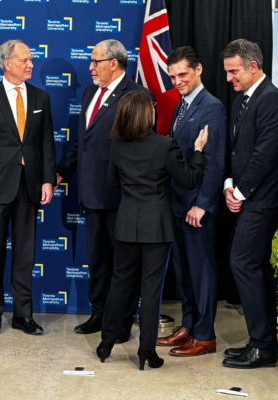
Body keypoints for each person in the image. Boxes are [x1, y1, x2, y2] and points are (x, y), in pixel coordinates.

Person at [96, 91, 207, 371]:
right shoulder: (165, 145)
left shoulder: (117, 145)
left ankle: (105, 344)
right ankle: (146, 351)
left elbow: (111, 184)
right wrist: (198, 151)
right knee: (151, 289)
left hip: (125, 224)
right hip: (156, 227)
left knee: (120, 285)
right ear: (148, 114)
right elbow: (189, 179)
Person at [55, 39, 150, 340]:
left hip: (121, 196)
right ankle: (99, 313)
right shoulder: (89, 92)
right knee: (97, 259)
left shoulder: (136, 96)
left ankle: (121, 321)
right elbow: (81, 142)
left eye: (95, 61)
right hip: (91, 194)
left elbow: (141, 151)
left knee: (123, 263)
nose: (90, 67)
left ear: (114, 62)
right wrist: (60, 172)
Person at [0, 40, 56, 337]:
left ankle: (23, 315)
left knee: (25, 255)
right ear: (7, 63)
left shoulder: (40, 97)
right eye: (25, 60)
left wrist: (48, 179)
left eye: (31, 59)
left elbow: (46, 143)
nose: (31, 64)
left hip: (29, 186)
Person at [221, 39, 278, 369]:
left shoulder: (273, 99)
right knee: (255, 267)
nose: (229, 78)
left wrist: (240, 192)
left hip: (265, 199)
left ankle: (262, 344)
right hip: (248, 196)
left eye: (233, 71)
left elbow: (265, 154)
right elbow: (235, 151)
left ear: (253, 66)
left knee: (243, 263)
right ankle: (264, 344)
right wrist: (228, 184)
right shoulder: (242, 101)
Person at [157, 47, 226, 357]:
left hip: (196, 207)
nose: (177, 81)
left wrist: (203, 203)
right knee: (184, 271)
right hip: (177, 203)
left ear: (198, 70)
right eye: (172, 76)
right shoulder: (179, 107)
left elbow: (214, 161)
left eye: (182, 74)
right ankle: (188, 325)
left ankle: (206, 335)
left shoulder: (212, 107)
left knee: (201, 271)